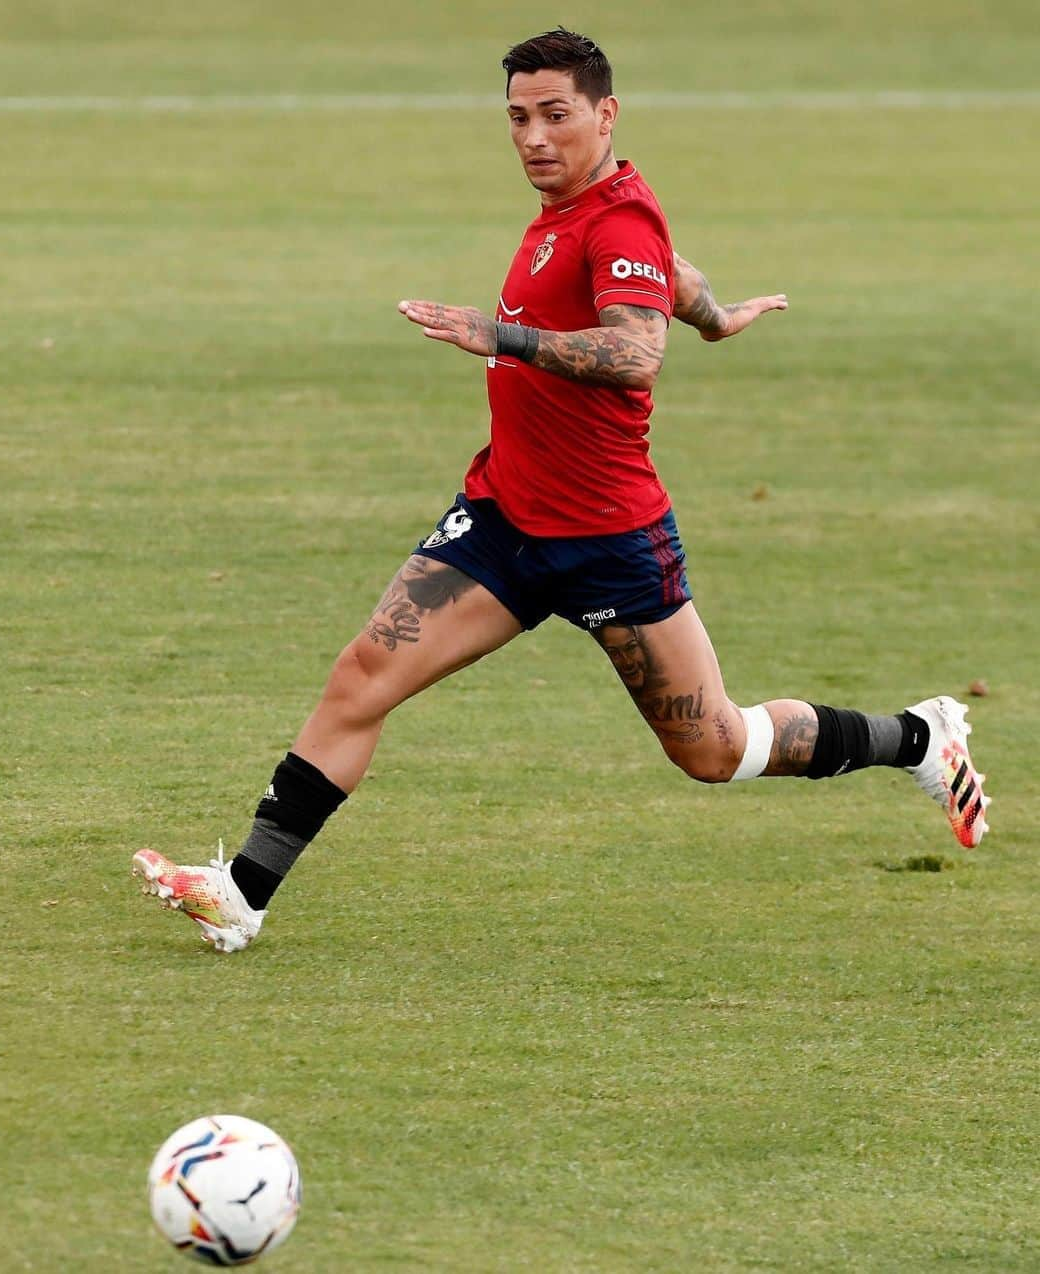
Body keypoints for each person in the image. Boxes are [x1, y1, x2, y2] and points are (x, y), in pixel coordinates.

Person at [133, 29, 989, 952]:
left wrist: (499, 335)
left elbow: (631, 351)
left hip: (608, 540)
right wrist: (714, 314)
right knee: (361, 680)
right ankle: (241, 894)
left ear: (604, 114)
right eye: (517, 118)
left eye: (555, 115)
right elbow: (669, 281)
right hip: (503, 517)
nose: (534, 137)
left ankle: (919, 737)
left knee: (716, 751)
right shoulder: (577, 213)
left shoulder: (616, 220)